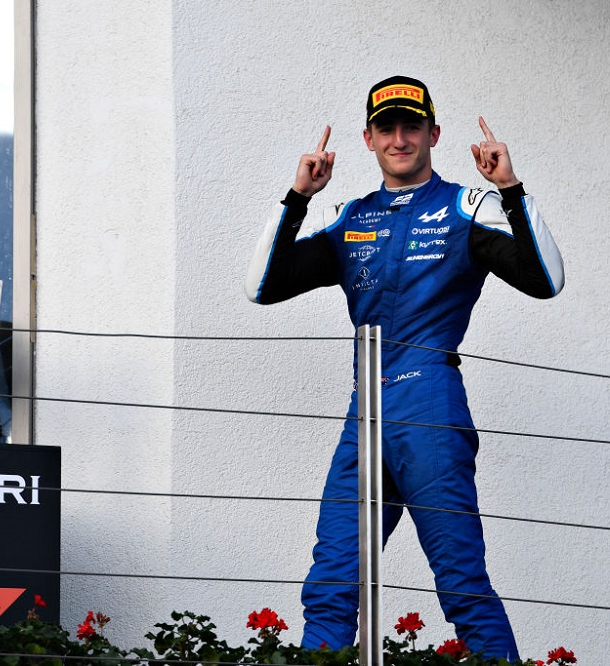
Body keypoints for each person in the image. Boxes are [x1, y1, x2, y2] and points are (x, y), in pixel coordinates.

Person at [243, 75, 564, 661]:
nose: (399, 138)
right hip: (364, 409)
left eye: (411, 126)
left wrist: (511, 187)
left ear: (433, 133)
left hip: (430, 403)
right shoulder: (347, 216)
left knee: (461, 582)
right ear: (368, 139)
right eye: (386, 128)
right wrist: (298, 198)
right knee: (331, 585)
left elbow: (547, 281)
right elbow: (261, 286)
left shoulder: (469, 206)